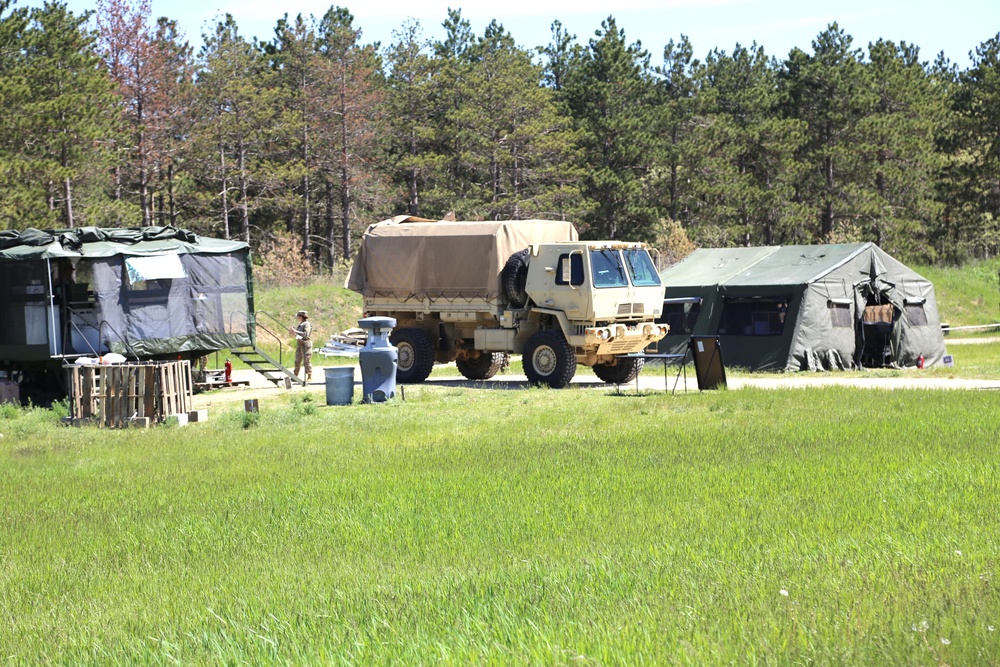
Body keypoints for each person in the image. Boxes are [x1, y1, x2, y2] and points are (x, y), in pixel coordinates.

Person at [289, 310, 313, 381]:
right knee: (297, 360)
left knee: (307, 360)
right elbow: (298, 334)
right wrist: (293, 332)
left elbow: (306, 334)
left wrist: (296, 331)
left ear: (301, 317)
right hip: (300, 344)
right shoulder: (301, 324)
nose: (297, 317)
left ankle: (309, 376)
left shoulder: (306, 324)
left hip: (306, 344)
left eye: (298, 316)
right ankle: (295, 375)